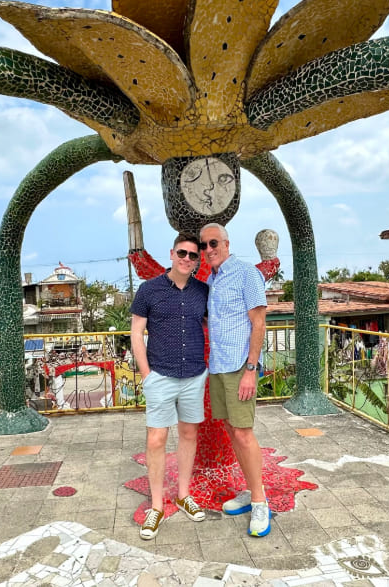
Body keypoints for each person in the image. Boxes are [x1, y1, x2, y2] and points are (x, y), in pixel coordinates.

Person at [130, 233, 208, 540]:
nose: (187, 258)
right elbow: (136, 333)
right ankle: (157, 505)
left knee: (189, 434)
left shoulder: (203, 290)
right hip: (160, 375)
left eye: (192, 255)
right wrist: (146, 374)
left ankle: (183, 494)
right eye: (182, 253)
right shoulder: (149, 290)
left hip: (193, 375)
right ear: (171, 253)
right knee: (156, 439)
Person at [200, 222, 271, 537]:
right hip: (218, 366)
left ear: (226, 243)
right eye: (204, 245)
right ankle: (249, 491)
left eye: (213, 243)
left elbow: (259, 324)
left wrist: (251, 370)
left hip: (240, 367)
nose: (209, 250)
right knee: (231, 430)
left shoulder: (246, 273)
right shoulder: (213, 279)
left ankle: (260, 503)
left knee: (243, 433)